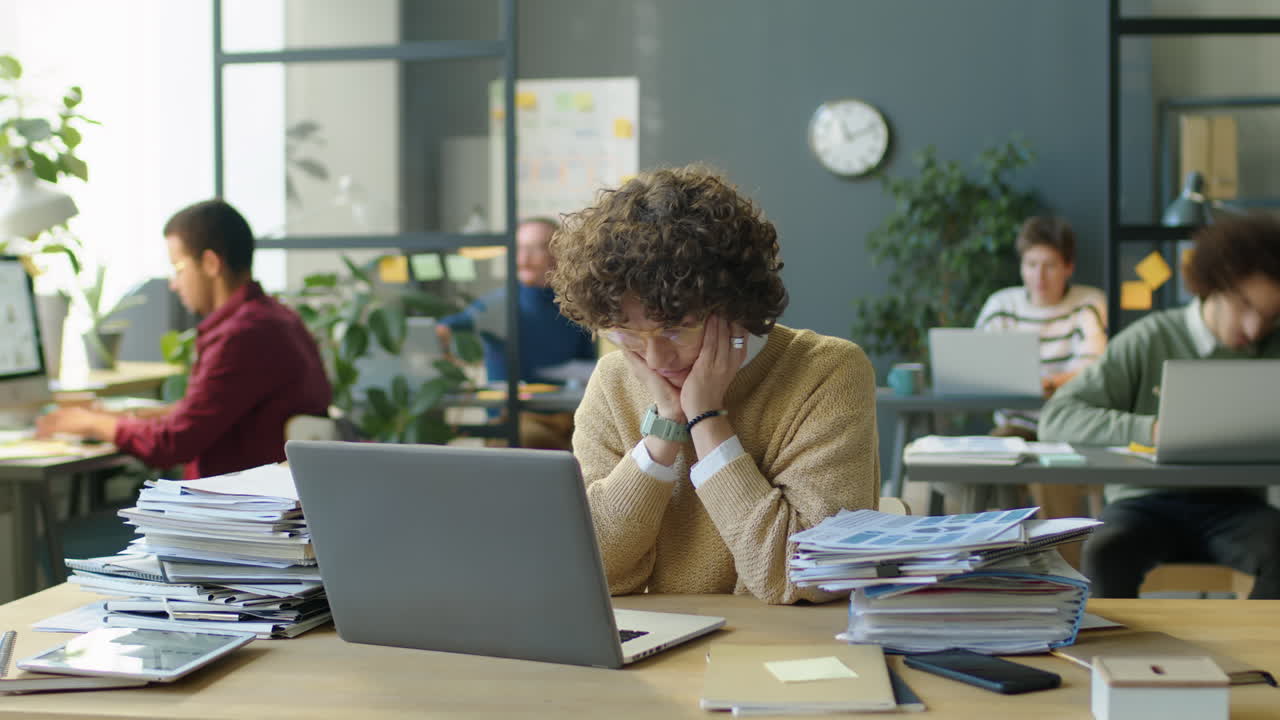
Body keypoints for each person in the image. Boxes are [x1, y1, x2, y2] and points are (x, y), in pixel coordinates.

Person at [548, 165, 879, 605]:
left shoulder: (826, 372)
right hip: (661, 649)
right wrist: (665, 429)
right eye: (626, 335)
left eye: (675, 330)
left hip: (782, 651)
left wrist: (707, 420)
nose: (655, 360)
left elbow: (805, 578)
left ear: (734, 305)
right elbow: (594, 569)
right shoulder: (613, 381)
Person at [1039, 214, 1280, 599]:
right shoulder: (1150, 338)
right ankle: (1114, 658)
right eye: (1246, 305)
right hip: (1142, 502)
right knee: (1105, 553)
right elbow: (1057, 418)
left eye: (1269, 317)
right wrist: (1150, 431)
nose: (1254, 329)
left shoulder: (1274, 347)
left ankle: (1262, 657)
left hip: (1236, 507)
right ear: (1215, 282)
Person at [37, 199, 331, 479]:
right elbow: (205, 413)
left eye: (178, 268)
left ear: (211, 263)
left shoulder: (243, 335)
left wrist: (91, 423)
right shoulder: (277, 318)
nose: (174, 284)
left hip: (239, 510)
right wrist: (123, 415)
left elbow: (173, 443)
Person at [972, 216, 1108, 524]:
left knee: (1051, 471)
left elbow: (1093, 367)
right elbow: (977, 363)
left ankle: (1064, 567)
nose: (1039, 276)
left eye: (1049, 265)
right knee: (984, 462)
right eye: (1031, 264)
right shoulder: (1001, 304)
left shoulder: (1088, 303)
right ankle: (994, 560)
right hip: (1015, 424)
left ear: (1068, 267)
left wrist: (1050, 382)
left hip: (1065, 427)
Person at [435, 217, 596, 450]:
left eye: (538, 247)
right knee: (533, 441)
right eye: (519, 248)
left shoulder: (577, 306)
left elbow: (588, 368)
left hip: (571, 415)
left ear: (560, 253)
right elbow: (443, 330)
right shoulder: (499, 303)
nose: (524, 258)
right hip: (516, 417)